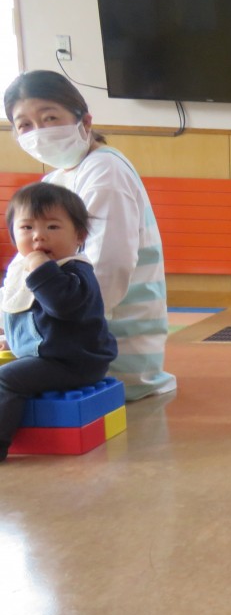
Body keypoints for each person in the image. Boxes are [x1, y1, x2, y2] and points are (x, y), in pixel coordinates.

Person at [4, 70, 175, 401]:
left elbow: (107, 271)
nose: (39, 133)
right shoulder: (54, 181)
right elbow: (23, 265)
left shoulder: (105, 170)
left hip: (97, 351)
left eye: (50, 118)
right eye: (24, 125)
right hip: (55, 335)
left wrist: (55, 333)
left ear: (84, 121)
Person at [0, 182, 117, 461]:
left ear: (79, 236)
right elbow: (21, 310)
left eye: (52, 227)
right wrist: (10, 337)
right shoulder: (22, 268)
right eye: (27, 228)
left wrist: (40, 269)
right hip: (47, 357)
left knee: (5, 380)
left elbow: (60, 305)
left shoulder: (75, 272)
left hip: (76, 363)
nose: (39, 236)